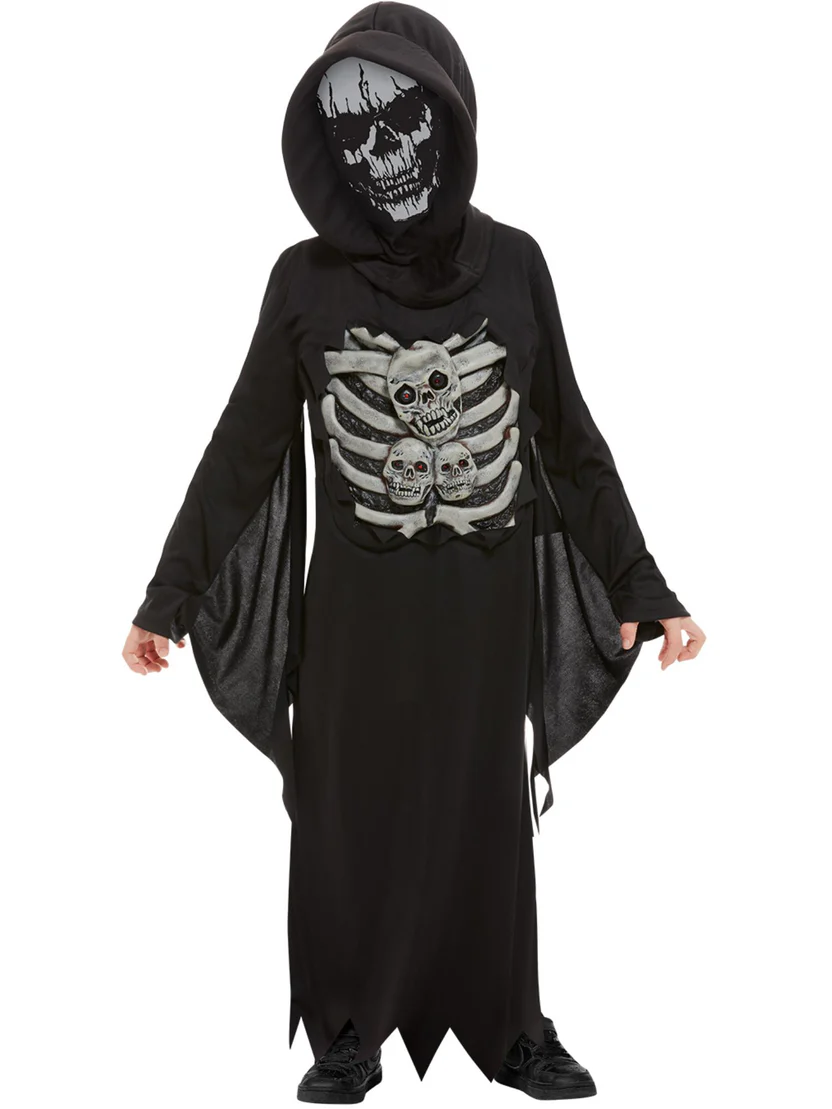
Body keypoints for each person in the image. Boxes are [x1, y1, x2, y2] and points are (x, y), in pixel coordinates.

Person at [122, 3, 706, 1102]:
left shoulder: (516, 264)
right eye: (351, 130)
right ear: (326, 148)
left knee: (485, 815)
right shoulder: (303, 280)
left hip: (483, 616)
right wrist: (171, 592)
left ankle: (512, 1024)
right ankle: (347, 1027)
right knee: (345, 816)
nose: (378, 150)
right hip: (355, 619)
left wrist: (643, 582)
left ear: (447, 114)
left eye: (400, 119)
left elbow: (568, 439)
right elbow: (244, 447)